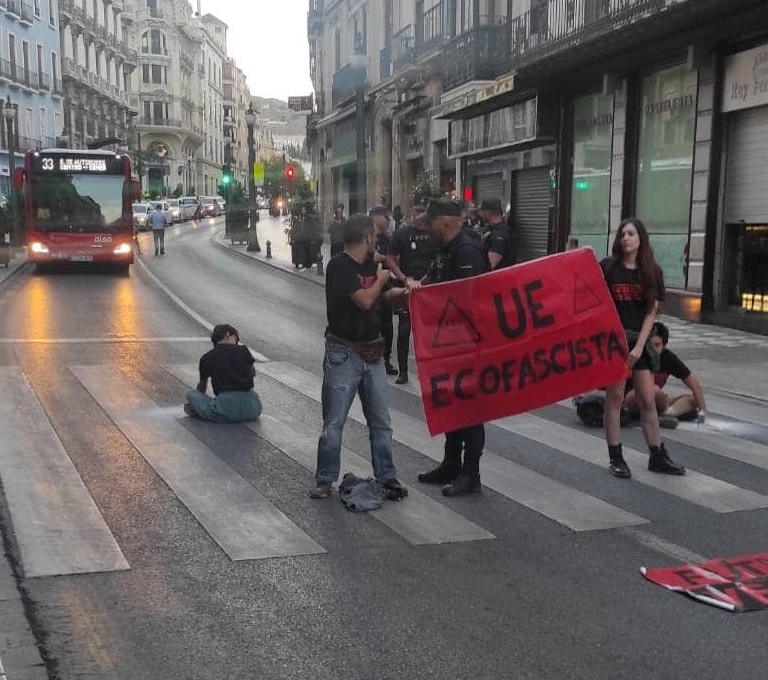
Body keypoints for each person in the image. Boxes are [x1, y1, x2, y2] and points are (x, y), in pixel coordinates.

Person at [309, 213, 409, 500]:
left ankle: (387, 477)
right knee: (334, 421)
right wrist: (379, 281)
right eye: (375, 236)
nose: (376, 242)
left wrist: (403, 291)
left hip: (373, 353)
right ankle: (325, 478)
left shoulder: (370, 266)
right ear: (367, 237)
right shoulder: (339, 266)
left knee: (381, 422)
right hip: (344, 353)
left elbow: (383, 296)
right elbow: (365, 299)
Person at [405, 200, 489, 496]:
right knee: (452, 406)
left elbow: (469, 297)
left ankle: (471, 473)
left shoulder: (467, 251)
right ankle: (451, 464)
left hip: (467, 343)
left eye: (431, 223)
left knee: (469, 409)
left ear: (447, 221)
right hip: (448, 343)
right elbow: (433, 281)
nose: (427, 228)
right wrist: (416, 289)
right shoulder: (445, 250)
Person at [601, 218, 685, 479]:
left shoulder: (651, 272)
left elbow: (652, 312)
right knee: (614, 398)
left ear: (641, 239)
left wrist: (639, 346)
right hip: (614, 341)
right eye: (622, 234)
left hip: (640, 342)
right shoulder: (608, 268)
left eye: (631, 234)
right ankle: (615, 456)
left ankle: (657, 454)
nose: (626, 238)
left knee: (648, 399)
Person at [385, 202, 437, 384]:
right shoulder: (402, 234)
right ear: (412, 213)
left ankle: (431, 372)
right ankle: (403, 372)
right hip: (408, 286)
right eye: (417, 213)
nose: (419, 217)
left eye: (423, 214)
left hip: (430, 286)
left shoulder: (434, 234)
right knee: (404, 329)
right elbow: (390, 258)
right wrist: (404, 278)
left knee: (431, 333)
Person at [624, 321, 707, 429]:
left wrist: (702, 412)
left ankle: (666, 415)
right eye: (649, 344)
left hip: (657, 402)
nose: (653, 349)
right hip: (632, 399)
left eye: (657, 345)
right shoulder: (637, 355)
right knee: (653, 390)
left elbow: (694, 384)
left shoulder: (668, 358)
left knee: (693, 399)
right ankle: (655, 415)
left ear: (664, 345)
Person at [184, 324, 263, 423]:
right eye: (236, 337)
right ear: (228, 335)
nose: (237, 341)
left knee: (192, 394)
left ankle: (203, 411)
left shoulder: (207, 357)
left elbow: (202, 387)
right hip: (253, 408)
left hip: (226, 409)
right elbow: (252, 373)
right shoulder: (243, 350)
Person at [368, 205, 399, 376]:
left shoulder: (388, 239)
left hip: (384, 285)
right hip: (366, 285)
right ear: (376, 217)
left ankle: (385, 359)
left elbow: (392, 259)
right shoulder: (363, 236)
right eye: (386, 217)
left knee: (387, 324)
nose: (389, 220)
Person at [479, 198, 515, 270]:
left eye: (482, 212)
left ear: (488, 213)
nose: (481, 215)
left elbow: (490, 264)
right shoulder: (494, 230)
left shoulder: (500, 234)